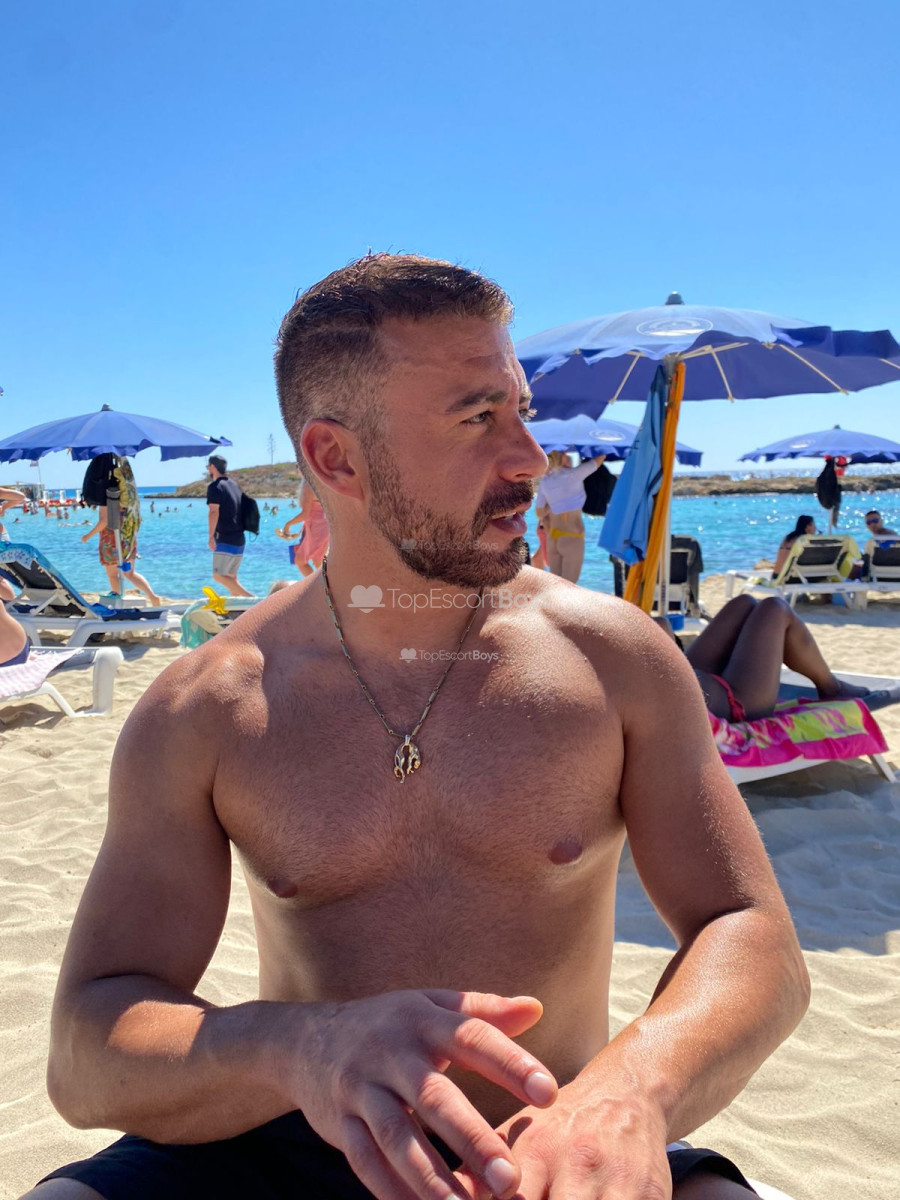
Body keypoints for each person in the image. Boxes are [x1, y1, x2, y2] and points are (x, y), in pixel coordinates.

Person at [27, 254, 809, 1200]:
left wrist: (632, 1088)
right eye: (478, 418)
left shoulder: (612, 659)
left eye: (522, 410)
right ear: (336, 459)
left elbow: (752, 934)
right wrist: (302, 1047)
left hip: (561, 1134)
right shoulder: (208, 709)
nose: (530, 458)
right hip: (293, 1136)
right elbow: (87, 1053)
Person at [660, 593, 870, 723]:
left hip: (691, 681)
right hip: (733, 705)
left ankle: (830, 684)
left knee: (744, 603)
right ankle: (831, 687)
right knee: (775, 608)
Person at [80, 457, 161, 606]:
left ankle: (117, 599)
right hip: (128, 536)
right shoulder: (125, 494)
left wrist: (87, 536)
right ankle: (152, 596)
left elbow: (104, 521)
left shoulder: (107, 494)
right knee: (129, 573)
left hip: (111, 539)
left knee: (112, 574)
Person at [533, 450, 606, 583]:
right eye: (566, 455)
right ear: (561, 458)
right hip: (571, 537)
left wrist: (554, 505)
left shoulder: (545, 482)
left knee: (557, 586)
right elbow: (599, 459)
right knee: (569, 588)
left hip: (553, 538)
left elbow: (539, 513)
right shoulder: (574, 475)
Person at [206, 455, 254, 598]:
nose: (208, 469)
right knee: (231, 579)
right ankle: (239, 607)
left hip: (225, 537)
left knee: (218, 575)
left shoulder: (215, 487)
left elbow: (213, 512)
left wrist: (210, 537)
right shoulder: (234, 485)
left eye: (208, 466)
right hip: (239, 538)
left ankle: (252, 599)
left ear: (213, 467)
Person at [274, 481, 330, 576]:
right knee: (318, 561)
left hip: (316, 526)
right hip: (324, 525)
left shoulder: (309, 485)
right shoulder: (321, 482)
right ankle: (324, 583)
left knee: (301, 560)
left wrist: (288, 525)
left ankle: (319, 584)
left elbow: (305, 514)